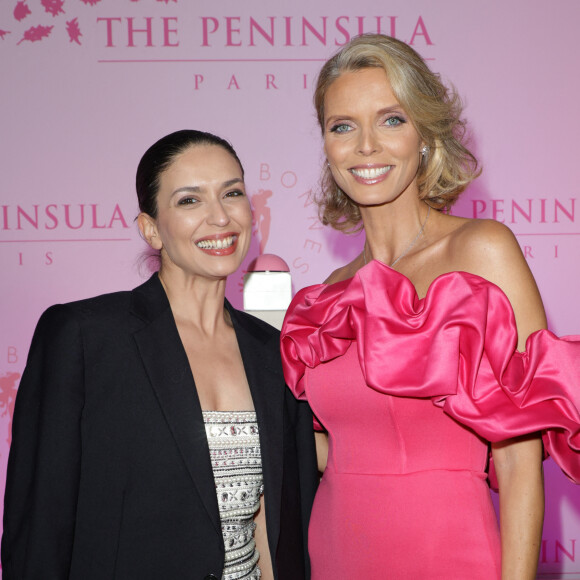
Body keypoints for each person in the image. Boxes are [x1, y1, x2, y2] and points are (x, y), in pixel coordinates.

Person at [280, 34, 580, 579]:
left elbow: (518, 460)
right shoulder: (327, 294)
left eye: (391, 120)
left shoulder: (482, 249)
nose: (366, 145)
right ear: (326, 144)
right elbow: (325, 449)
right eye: (342, 126)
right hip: (335, 551)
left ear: (424, 133)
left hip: (447, 552)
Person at [2, 130, 318, 580]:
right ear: (151, 228)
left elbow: (271, 525)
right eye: (190, 201)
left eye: (232, 193)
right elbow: (39, 526)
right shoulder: (84, 338)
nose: (219, 217)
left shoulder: (273, 351)